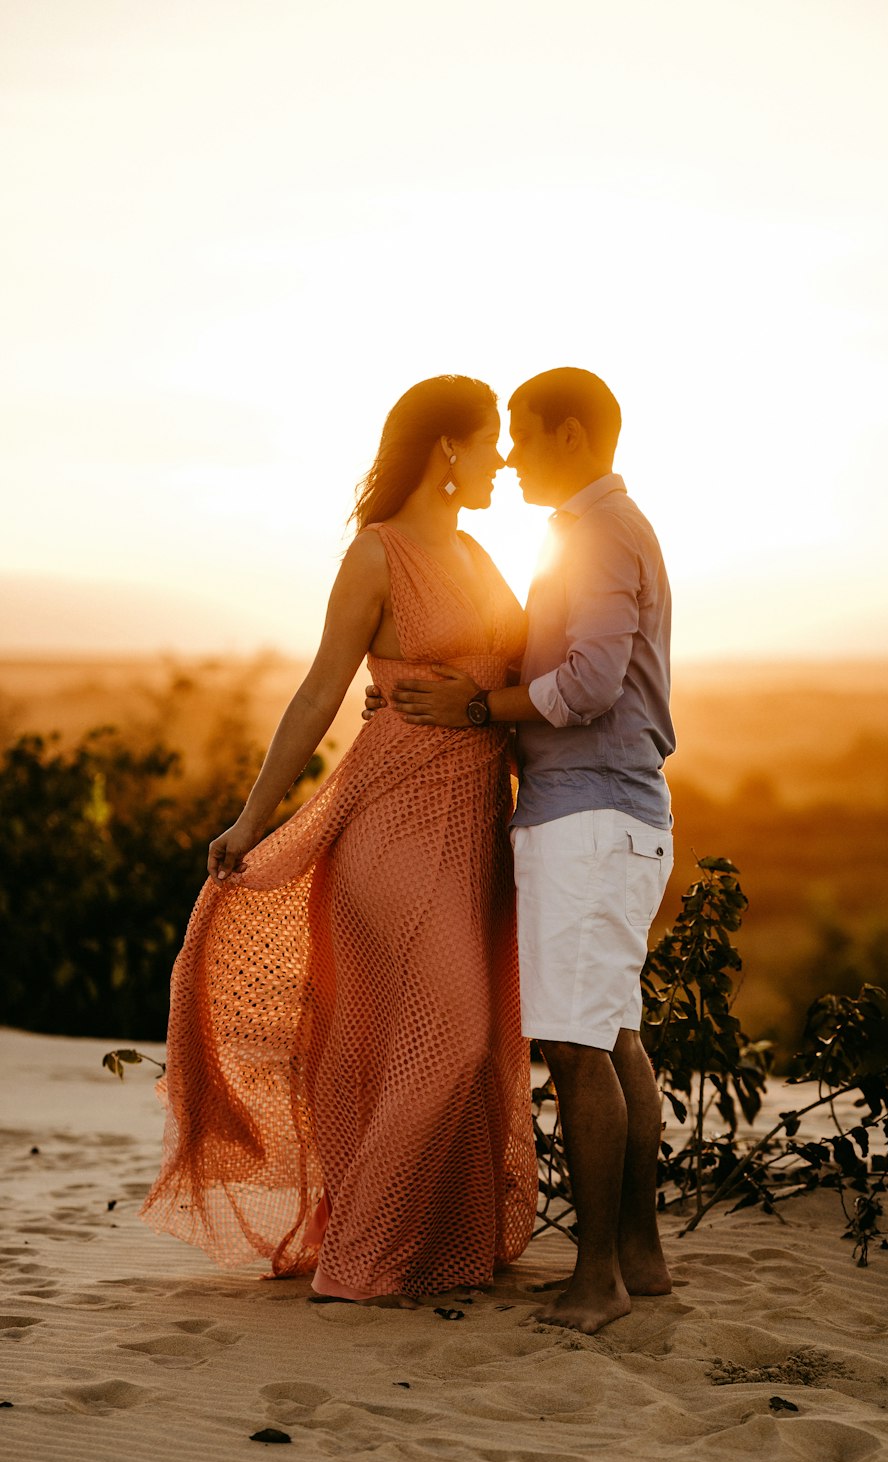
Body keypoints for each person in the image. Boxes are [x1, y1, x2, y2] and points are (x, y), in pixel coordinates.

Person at [140, 375, 536, 1306]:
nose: (501, 461)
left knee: (448, 1043)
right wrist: (251, 817)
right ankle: (360, 1261)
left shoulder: (480, 551)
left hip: (476, 824)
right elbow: (319, 694)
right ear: (446, 448)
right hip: (392, 824)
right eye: (489, 443)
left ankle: (434, 1240)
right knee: (452, 1038)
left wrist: (488, 710)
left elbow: (522, 673)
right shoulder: (377, 556)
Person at [382, 368, 675, 1334]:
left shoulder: (595, 536)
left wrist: (475, 707)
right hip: (616, 814)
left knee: (579, 1046)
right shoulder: (606, 531)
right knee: (616, 1031)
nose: (509, 451)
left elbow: (586, 686)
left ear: (574, 435)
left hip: (585, 816)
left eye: (523, 432)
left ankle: (598, 1281)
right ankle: (639, 1254)